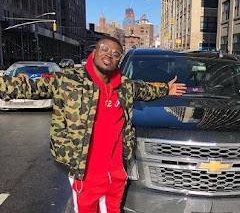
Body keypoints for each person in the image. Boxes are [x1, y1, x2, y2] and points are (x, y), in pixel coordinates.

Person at [0, 36, 187, 213]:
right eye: (104, 49)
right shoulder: (68, 80)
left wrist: (166, 88)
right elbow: (28, 86)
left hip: (115, 173)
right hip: (85, 172)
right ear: (94, 51)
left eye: (115, 54)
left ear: (118, 60)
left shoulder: (124, 86)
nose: (109, 55)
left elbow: (145, 89)